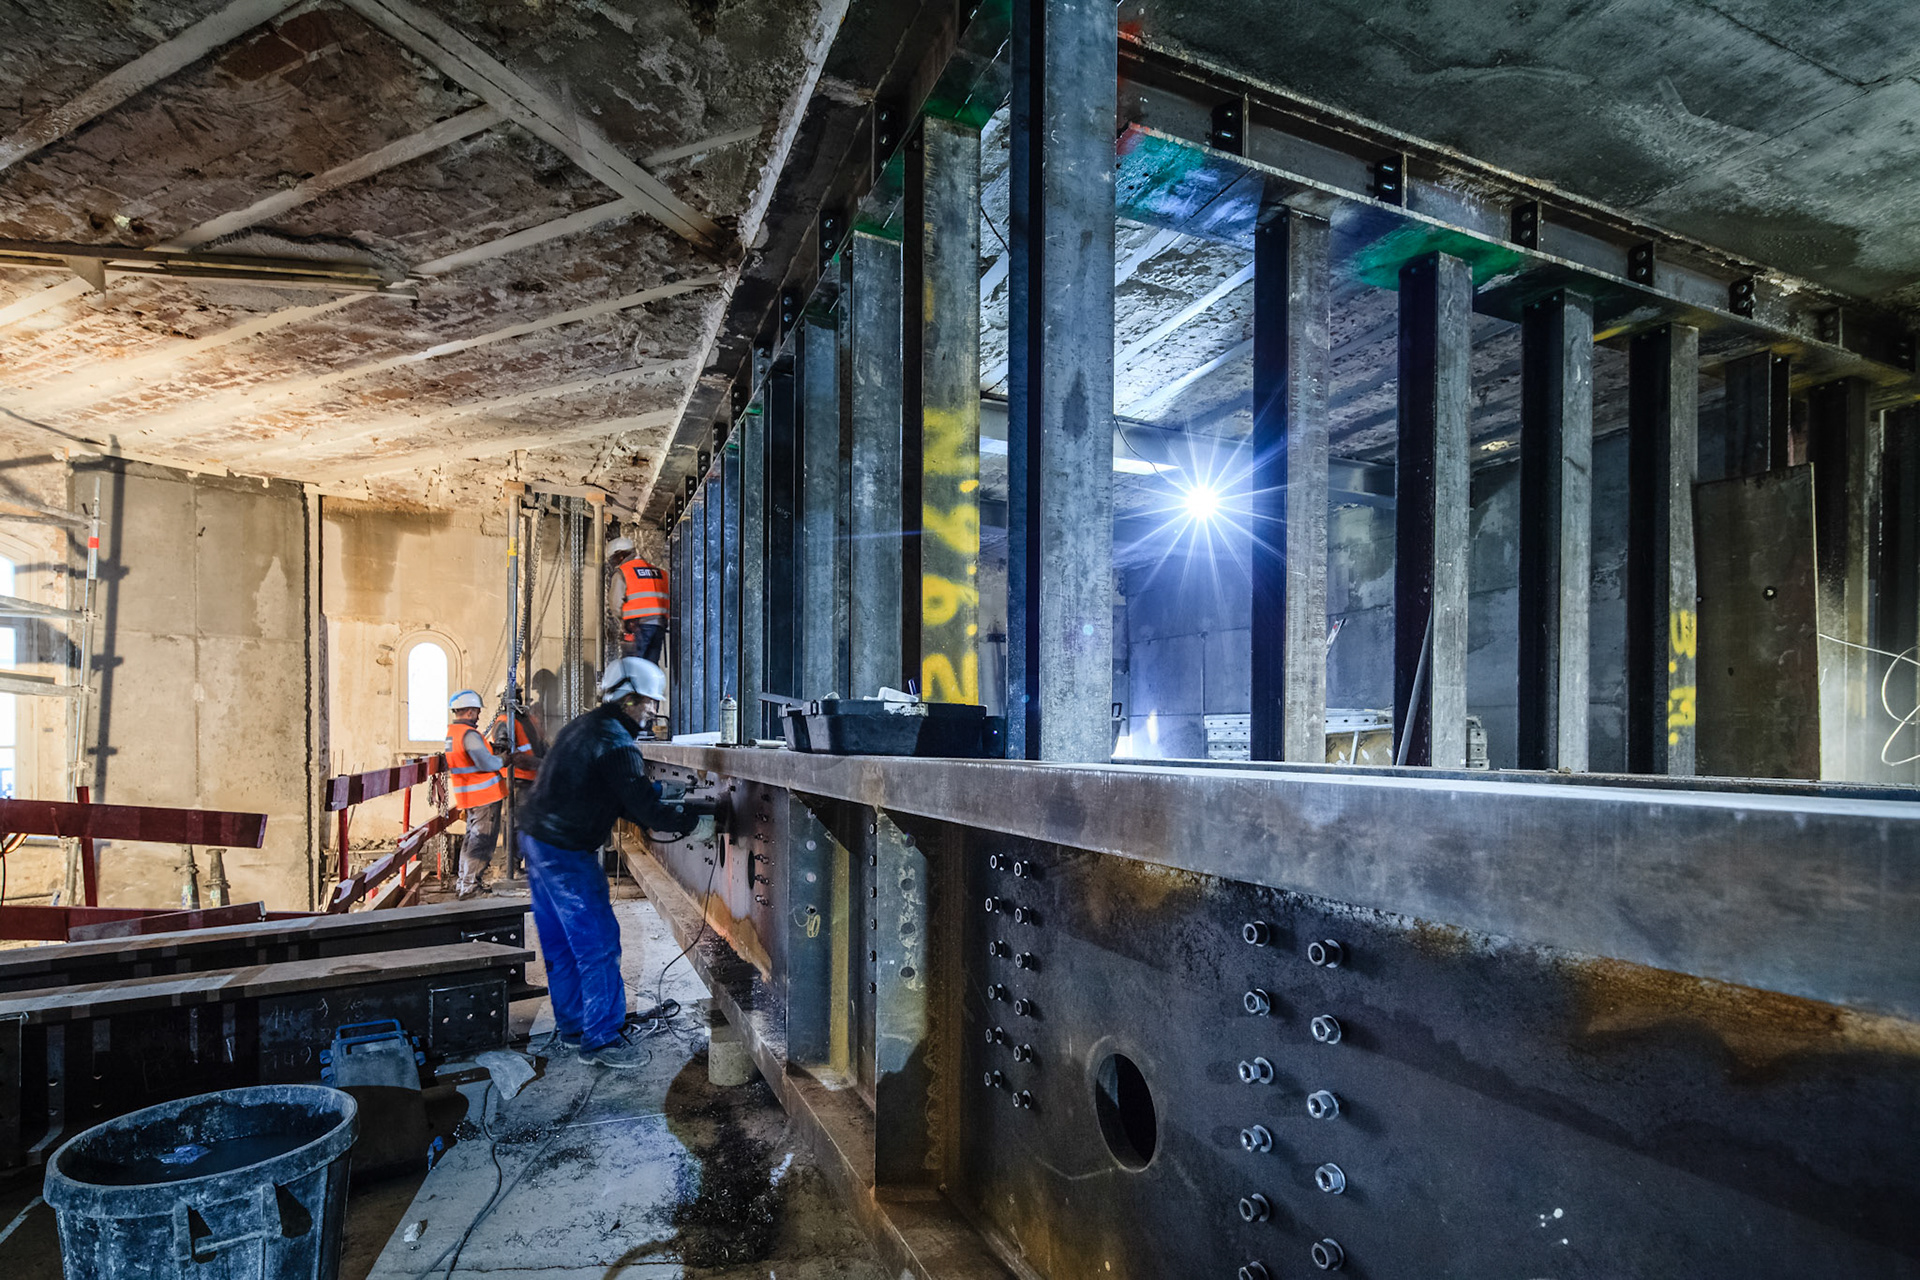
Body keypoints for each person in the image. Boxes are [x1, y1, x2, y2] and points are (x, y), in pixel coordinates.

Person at [517, 657, 712, 1069]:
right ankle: (601, 1039)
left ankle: (573, 1029)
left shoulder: (583, 726)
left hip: (536, 839)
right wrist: (694, 823)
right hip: (567, 851)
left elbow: (607, 789)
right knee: (598, 942)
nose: (653, 713)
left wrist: (655, 788)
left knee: (560, 941)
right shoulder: (617, 743)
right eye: (648, 704)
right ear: (628, 699)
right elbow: (646, 811)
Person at [444, 689, 506, 899]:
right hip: (484, 797)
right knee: (481, 841)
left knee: (471, 840)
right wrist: (503, 760)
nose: (478, 715)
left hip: (470, 797)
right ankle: (470, 887)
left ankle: (464, 882)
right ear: (469, 711)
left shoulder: (453, 733)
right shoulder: (469, 735)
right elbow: (486, 763)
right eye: (477, 711)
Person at [607, 535, 669, 662]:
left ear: (621, 556)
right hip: (658, 626)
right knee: (650, 666)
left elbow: (615, 603)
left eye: (613, 560)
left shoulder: (623, 572)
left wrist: (624, 621)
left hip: (637, 626)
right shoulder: (659, 572)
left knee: (633, 665)